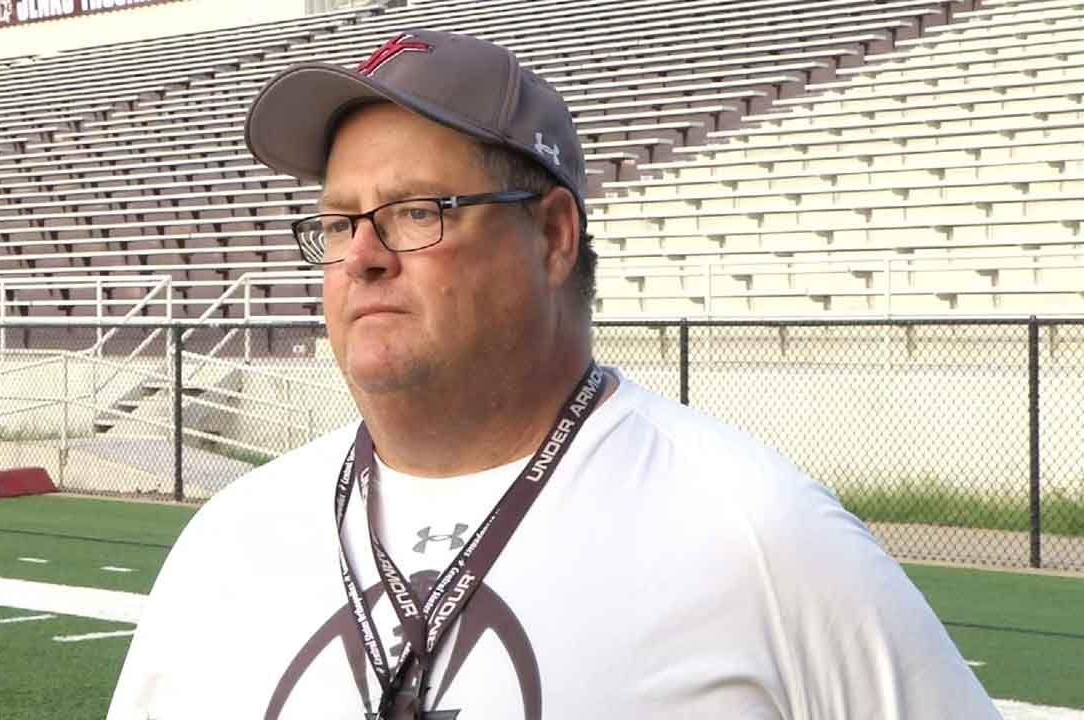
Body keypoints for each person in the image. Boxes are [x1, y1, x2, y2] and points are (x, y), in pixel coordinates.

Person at [107, 30, 1001, 720]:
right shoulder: (224, 546)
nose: (364, 256)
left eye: (418, 211)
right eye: (340, 224)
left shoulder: (758, 538)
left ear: (553, 237)